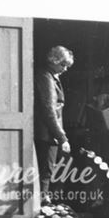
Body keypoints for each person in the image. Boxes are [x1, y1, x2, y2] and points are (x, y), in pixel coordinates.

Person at [34, 45, 74, 203]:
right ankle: (44, 203)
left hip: (49, 132)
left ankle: (47, 200)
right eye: (63, 65)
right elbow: (49, 110)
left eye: (67, 66)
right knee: (46, 170)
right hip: (47, 133)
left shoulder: (51, 76)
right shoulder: (46, 77)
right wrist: (62, 137)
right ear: (53, 61)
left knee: (49, 169)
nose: (65, 69)